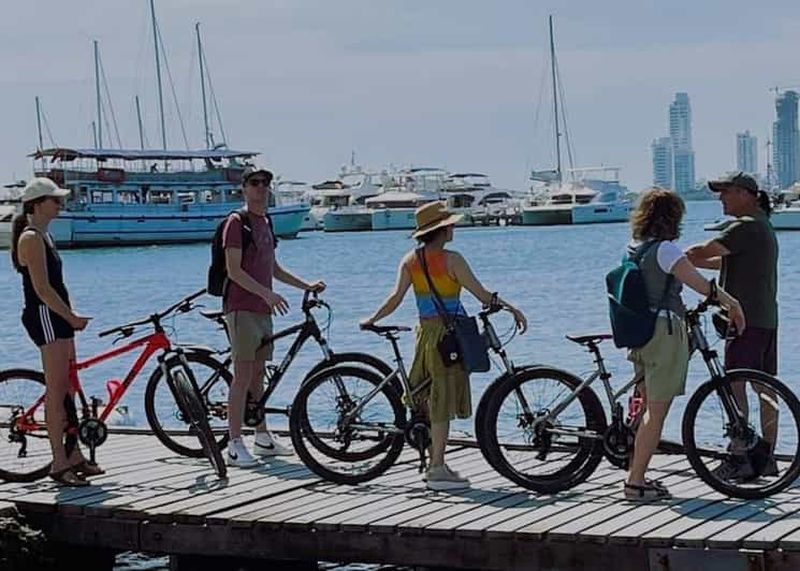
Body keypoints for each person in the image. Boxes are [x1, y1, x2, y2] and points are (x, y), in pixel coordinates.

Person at [360, 201, 527, 491]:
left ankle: (433, 460)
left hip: (425, 334)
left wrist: (373, 319)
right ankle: (437, 467)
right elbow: (482, 295)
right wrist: (512, 308)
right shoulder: (453, 260)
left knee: (426, 397)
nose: (453, 228)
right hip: (448, 337)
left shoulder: (411, 260)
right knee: (442, 401)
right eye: (450, 225)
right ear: (442, 230)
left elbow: (395, 298)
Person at [623, 188, 745, 501]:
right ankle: (635, 484)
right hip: (664, 334)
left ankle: (635, 472)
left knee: (645, 405)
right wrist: (732, 304)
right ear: (672, 218)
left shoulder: (635, 248)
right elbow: (703, 286)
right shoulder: (666, 250)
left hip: (641, 332)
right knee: (656, 412)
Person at [223, 166, 325, 467]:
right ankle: (234, 443)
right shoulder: (236, 223)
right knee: (242, 376)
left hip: (262, 310)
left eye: (266, 183)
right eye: (255, 183)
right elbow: (233, 270)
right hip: (241, 308)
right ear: (244, 188)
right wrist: (266, 294)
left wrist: (306, 285)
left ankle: (262, 437)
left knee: (258, 375)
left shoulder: (265, 222)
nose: (261, 188)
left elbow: (274, 268)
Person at [685, 171, 779, 480]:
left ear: (745, 194)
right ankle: (767, 457)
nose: (720, 198)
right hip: (766, 318)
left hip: (744, 321)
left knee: (735, 384)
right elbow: (722, 261)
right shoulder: (762, 226)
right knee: (765, 388)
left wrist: (675, 258)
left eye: (726, 192)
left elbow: (703, 252)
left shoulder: (744, 226)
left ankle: (739, 456)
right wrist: (690, 263)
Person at [11, 178, 100, 486]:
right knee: (57, 388)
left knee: (70, 385)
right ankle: (59, 463)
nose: (60, 205)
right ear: (38, 205)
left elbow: (57, 286)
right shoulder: (31, 238)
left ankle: (74, 454)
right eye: (55, 200)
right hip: (45, 316)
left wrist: (71, 315)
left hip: (57, 316)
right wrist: (70, 317)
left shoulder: (45, 236)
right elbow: (42, 289)